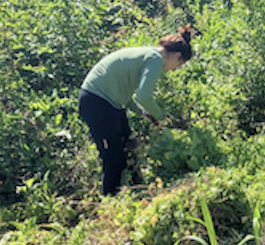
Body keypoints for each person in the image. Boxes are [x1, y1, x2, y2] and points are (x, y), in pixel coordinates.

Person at [77, 24, 194, 195]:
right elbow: (144, 96)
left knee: (128, 148)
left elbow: (124, 91)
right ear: (176, 55)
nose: (174, 69)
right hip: (97, 103)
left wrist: (142, 112)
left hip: (108, 103)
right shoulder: (155, 59)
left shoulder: (148, 53)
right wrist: (160, 116)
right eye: (179, 64)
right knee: (113, 157)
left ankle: (138, 190)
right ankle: (110, 203)